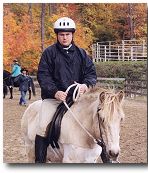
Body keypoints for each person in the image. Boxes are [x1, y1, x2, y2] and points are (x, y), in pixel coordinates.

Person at [36, 17, 97, 163]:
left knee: (99, 121)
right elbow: (43, 75)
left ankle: (108, 157)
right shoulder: (49, 53)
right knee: (43, 125)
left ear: (72, 35)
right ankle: (39, 162)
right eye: (62, 34)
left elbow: (91, 74)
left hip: (78, 99)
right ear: (57, 35)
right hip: (54, 99)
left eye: (67, 34)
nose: (64, 37)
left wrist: (86, 85)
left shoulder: (82, 54)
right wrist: (55, 91)